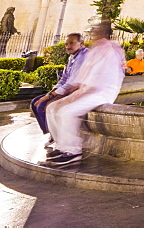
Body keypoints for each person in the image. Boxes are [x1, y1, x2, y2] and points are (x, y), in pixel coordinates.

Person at [45, 20, 126, 167]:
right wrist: (72, 93)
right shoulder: (95, 50)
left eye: (98, 32)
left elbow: (102, 79)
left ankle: (73, 151)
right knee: (52, 108)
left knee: (67, 112)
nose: (94, 34)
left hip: (102, 92)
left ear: (106, 34)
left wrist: (78, 95)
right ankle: (61, 145)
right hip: (87, 90)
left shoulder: (111, 51)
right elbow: (82, 77)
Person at [30, 33, 87, 143]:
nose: (68, 46)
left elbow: (73, 82)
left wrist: (50, 96)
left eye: (71, 43)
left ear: (81, 43)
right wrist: (51, 92)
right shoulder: (73, 56)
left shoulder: (83, 56)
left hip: (79, 91)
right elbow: (64, 78)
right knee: (35, 102)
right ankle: (52, 133)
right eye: (66, 44)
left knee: (43, 105)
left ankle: (57, 136)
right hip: (69, 89)